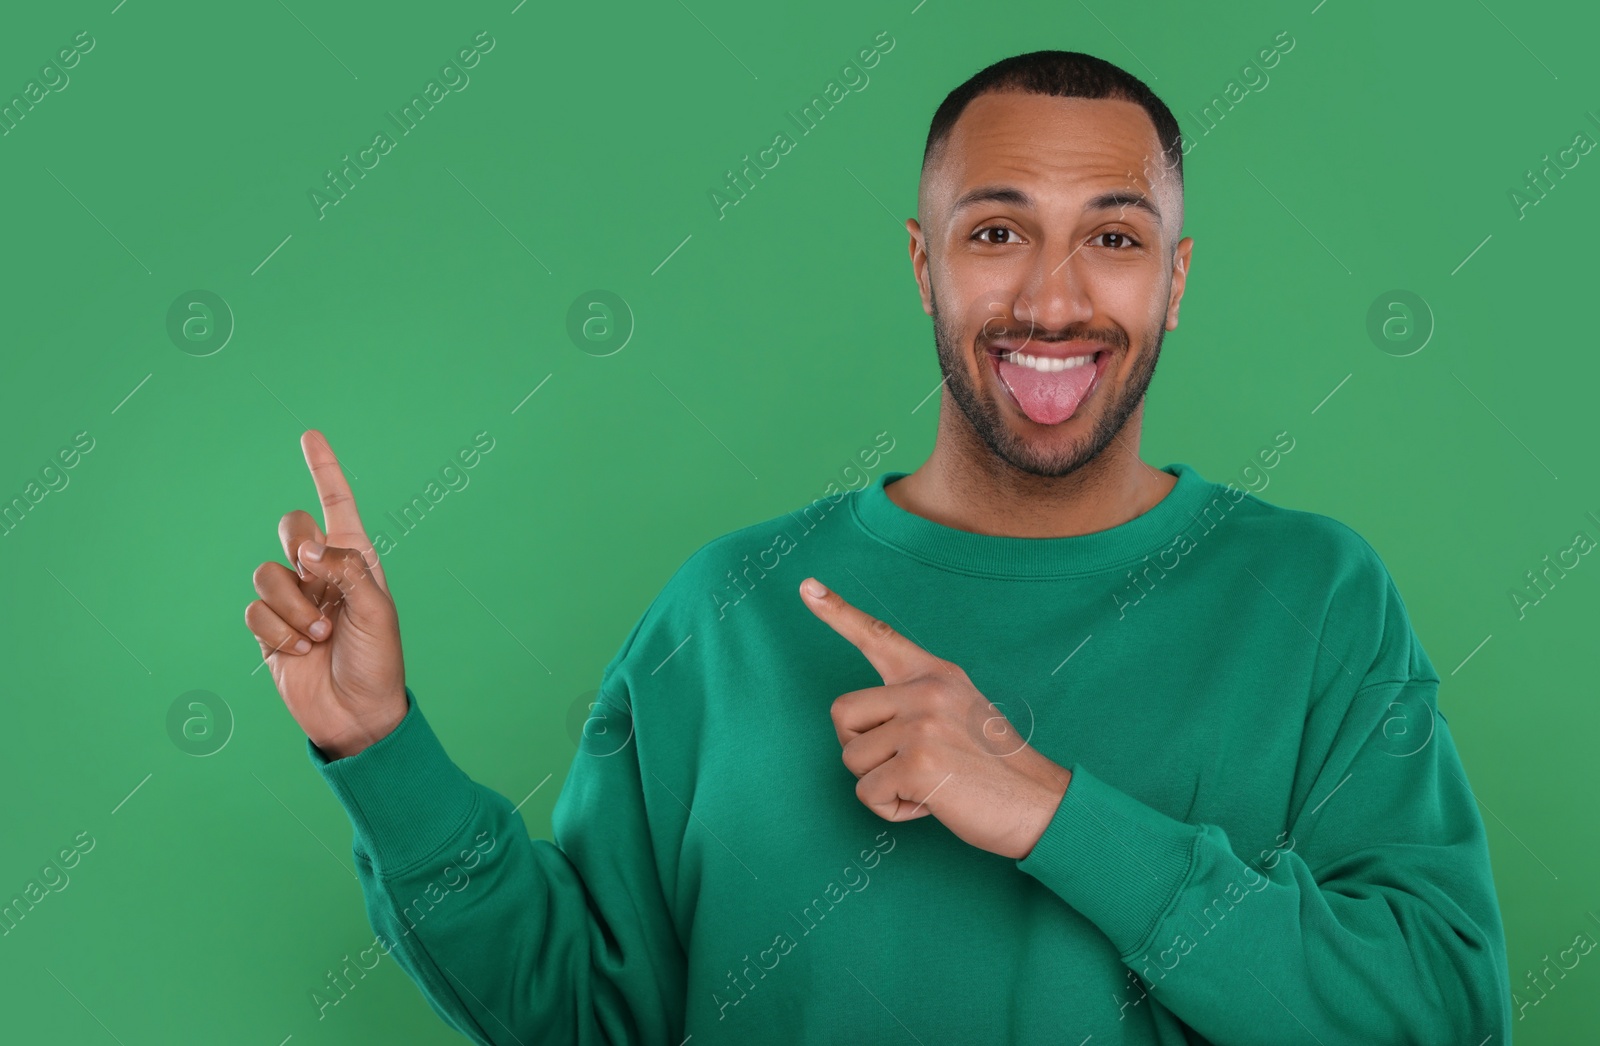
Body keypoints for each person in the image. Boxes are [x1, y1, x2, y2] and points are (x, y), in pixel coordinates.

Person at [245, 49, 1512, 1044]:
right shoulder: (727, 609)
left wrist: (1046, 810)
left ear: (1174, 282)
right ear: (925, 264)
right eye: (997, 230)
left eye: (1113, 237)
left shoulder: (1313, 597)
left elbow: (1436, 1014)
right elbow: (586, 1017)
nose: (1055, 299)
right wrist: (377, 741)